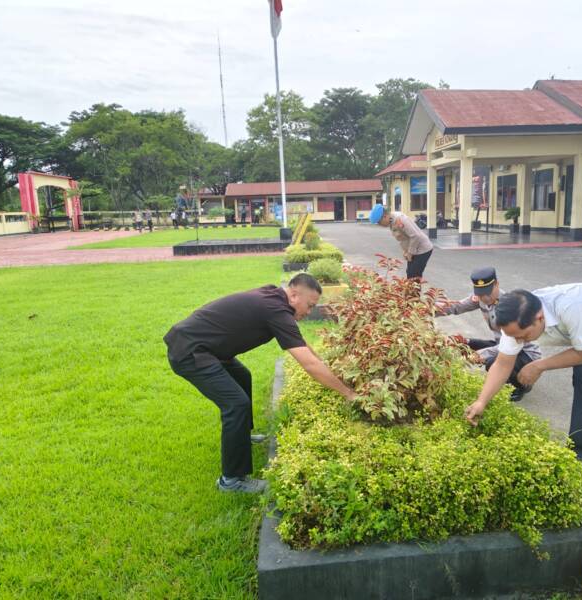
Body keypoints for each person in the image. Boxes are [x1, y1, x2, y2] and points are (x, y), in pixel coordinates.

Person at [164, 274, 357, 494]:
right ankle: (231, 481)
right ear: (294, 295)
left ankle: (240, 437)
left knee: (242, 376)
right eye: (310, 305)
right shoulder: (275, 310)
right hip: (190, 351)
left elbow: (303, 347)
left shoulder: (274, 297)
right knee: (236, 404)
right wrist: (348, 393)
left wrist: (326, 365)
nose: (310, 311)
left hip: (205, 347)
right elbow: (309, 365)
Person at [464, 284, 582, 482]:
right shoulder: (514, 322)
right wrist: (481, 401)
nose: (519, 342)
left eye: (523, 337)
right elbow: (503, 364)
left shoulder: (571, 306)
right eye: (515, 338)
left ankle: (579, 460)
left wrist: (539, 366)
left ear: (539, 318)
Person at [436, 267, 540, 402]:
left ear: (497, 284)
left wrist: (475, 357)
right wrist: (427, 307)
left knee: (491, 362)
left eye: (488, 293)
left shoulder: (511, 306)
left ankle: (522, 385)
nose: (485, 298)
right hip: (501, 344)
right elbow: (456, 306)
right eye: (480, 293)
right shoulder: (480, 298)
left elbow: (508, 347)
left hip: (524, 353)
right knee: (461, 342)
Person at [369, 204, 433, 280]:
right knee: (411, 274)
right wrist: (406, 251)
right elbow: (404, 237)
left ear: (385, 216)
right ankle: (413, 291)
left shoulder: (400, 219)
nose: (380, 225)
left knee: (413, 276)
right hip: (415, 250)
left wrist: (410, 252)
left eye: (379, 222)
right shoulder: (391, 221)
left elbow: (416, 236)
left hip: (422, 249)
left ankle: (414, 291)